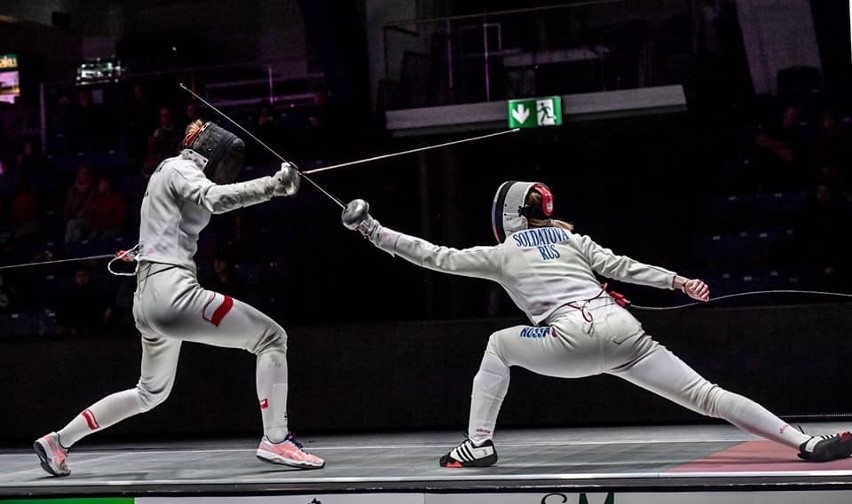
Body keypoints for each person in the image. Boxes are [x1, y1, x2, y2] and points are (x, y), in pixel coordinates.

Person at [341, 181, 852, 467]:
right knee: (709, 395)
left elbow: (434, 256)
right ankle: (805, 443)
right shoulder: (572, 240)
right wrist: (678, 281)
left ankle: (478, 443)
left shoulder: (500, 253)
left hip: (566, 339)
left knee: (498, 345)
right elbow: (625, 267)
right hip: (624, 330)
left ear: (510, 216)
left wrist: (371, 230)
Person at [34, 119, 325, 477]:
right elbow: (213, 199)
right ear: (210, 153)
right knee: (271, 337)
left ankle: (57, 442)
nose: (226, 172)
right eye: (225, 164)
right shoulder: (182, 169)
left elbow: (163, 234)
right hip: (174, 296)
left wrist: (139, 258)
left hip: (149, 300)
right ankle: (276, 439)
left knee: (149, 393)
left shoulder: (163, 175)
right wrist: (273, 186)